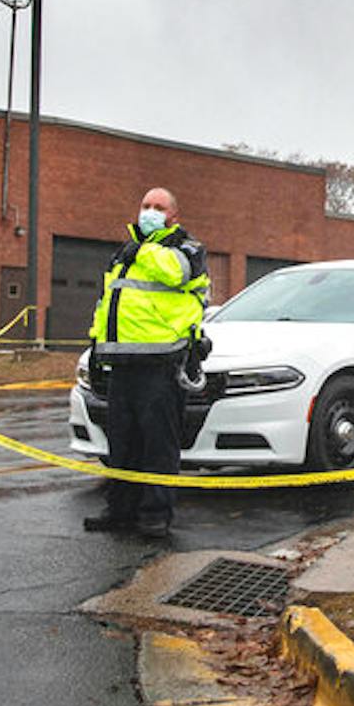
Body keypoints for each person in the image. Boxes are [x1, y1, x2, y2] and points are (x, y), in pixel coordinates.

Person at [84, 187, 209, 537]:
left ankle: (155, 514)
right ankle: (120, 510)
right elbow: (108, 303)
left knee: (158, 444)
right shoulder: (124, 253)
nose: (150, 212)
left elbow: (176, 273)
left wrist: (143, 249)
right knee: (122, 444)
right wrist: (97, 347)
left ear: (174, 217)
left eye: (158, 207)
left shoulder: (186, 247)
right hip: (122, 362)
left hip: (163, 363)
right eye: (145, 206)